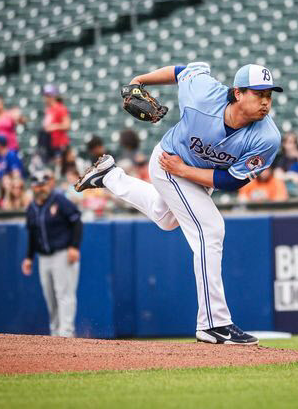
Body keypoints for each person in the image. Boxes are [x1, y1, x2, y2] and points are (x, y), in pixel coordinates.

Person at [75, 62, 282, 345]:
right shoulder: (203, 94)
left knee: (165, 217)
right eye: (259, 94)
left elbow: (233, 181)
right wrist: (140, 79)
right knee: (211, 230)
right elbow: (183, 70)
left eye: (269, 95)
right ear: (237, 92)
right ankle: (214, 323)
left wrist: (186, 172)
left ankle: (109, 176)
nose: (266, 101)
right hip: (168, 162)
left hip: (192, 173)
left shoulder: (267, 138)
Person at [21, 170, 83, 338]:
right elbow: (32, 235)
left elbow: (77, 221)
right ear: (33, 187)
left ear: (48, 184)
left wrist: (74, 247)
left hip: (62, 253)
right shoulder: (32, 208)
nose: (41, 188)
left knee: (64, 294)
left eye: (43, 184)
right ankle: (55, 334)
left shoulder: (59, 200)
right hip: (43, 257)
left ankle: (66, 334)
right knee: (50, 297)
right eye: (38, 185)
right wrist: (28, 257)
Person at [42, 85, 71, 162]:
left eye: (48, 96)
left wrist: (54, 127)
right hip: (50, 144)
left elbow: (67, 125)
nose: (45, 98)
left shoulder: (60, 108)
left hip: (60, 144)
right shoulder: (48, 110)